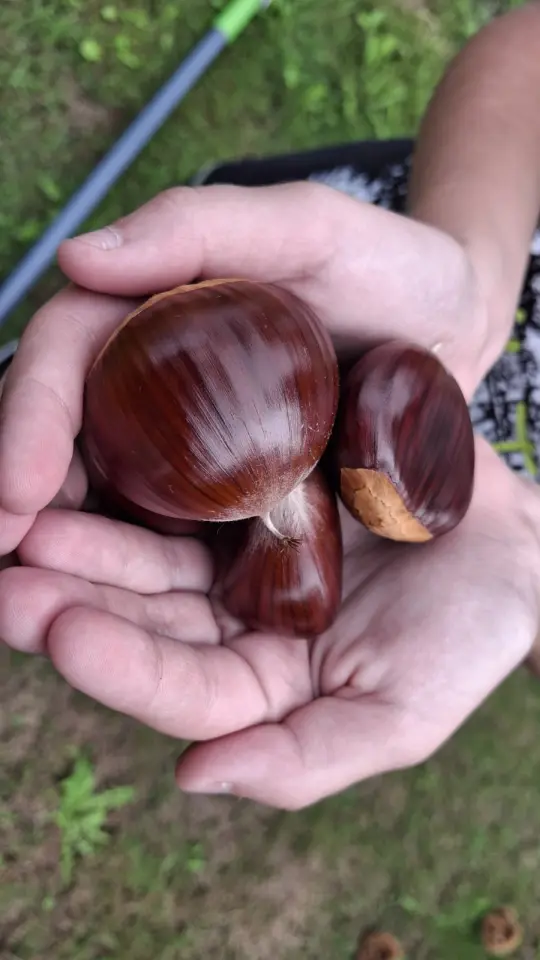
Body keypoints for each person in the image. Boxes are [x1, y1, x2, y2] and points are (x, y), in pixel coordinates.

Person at [1, 3, 540, 810]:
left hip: (306, 391)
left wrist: (526, 567)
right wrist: (474, 285)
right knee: (53, 398)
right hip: (337, 287)